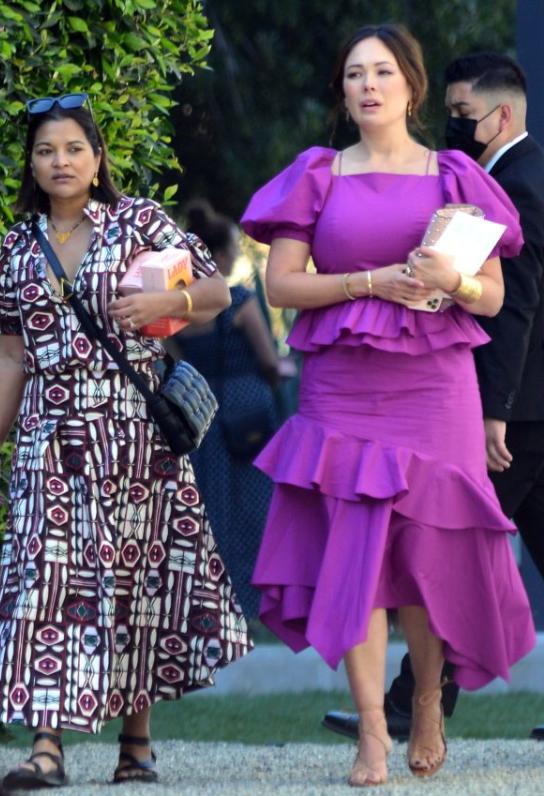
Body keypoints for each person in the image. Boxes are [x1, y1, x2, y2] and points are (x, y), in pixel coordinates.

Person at [240, 25, 535, 786]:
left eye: (381, 72)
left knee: (430, 554)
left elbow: (495, 295)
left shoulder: (456, 177)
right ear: (342, 92)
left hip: (435, 386)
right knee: (355, 558)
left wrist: (450, 282)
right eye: (352, 75)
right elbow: (280, 287)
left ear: (411, 85)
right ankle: (373, 728)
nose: (367, 86)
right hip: (343, 387)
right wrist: (371, 282)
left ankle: (428, 702)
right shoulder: (316, 174)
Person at [0, 92, 250, 789]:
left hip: (134, 436)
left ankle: (136, 743)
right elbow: (11, 353)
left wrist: (168, 303)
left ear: (98, 159)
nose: (59, 161)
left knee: (136, 579)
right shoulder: (14, 244)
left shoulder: (139, 223)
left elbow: (217, 292)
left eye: (72, 148)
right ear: (31, 166)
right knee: (44, 580)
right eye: (45, 150)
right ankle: (46, 747)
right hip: (48, 435)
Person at [323, 51, 544, 745]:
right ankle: (411, 707)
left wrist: (493, 408)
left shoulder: (520, 181)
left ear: (500, 115)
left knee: (446, 555)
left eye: (462, 116)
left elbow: (516, 305)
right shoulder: (502, 175)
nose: (454, 128)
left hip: (516, 409)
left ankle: (412, 707)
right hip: (520, 404)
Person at [172, 201, 284, 618]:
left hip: (200, 412)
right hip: (247, 409)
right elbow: (269, 360)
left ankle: (211, 603)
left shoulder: (177, 308)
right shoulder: (239, 300)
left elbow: (174, 362)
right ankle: (255, 603)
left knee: (210, 505)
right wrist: (276, 377)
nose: (237, 254)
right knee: (256, 505)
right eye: (233, 248)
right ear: (217, 255)